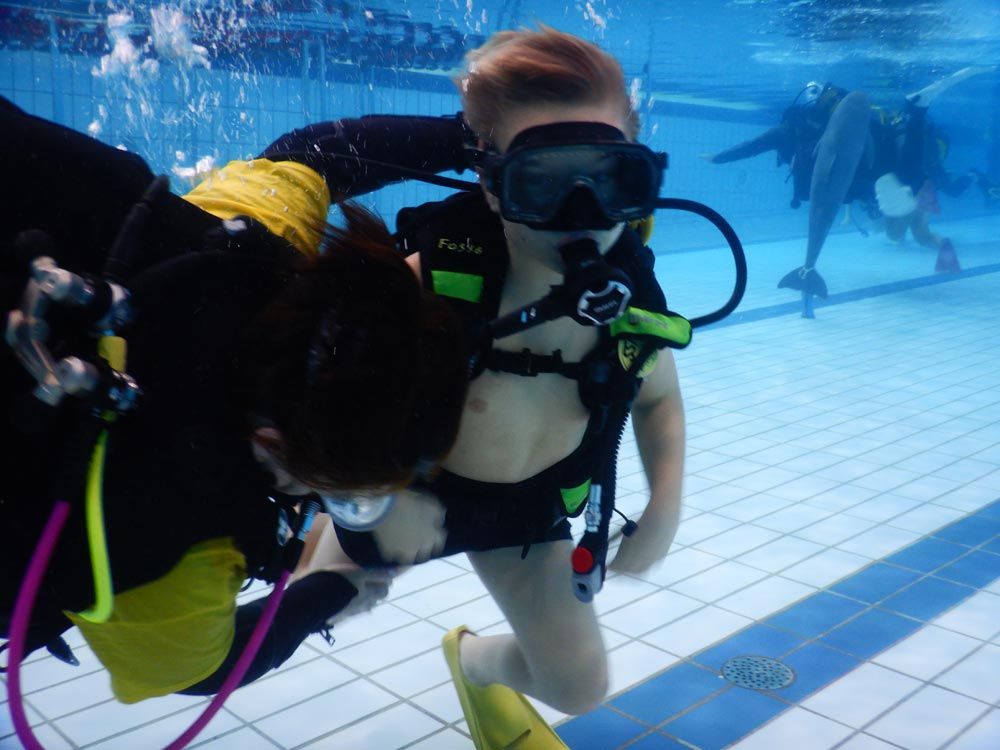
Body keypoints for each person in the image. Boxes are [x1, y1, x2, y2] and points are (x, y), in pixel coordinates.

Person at [280, 27, 688, 749]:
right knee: (309, 614)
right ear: (491, 183)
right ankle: (320, 539)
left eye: (610, 179)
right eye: (542, 182)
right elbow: (313, 411)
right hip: (408, 490)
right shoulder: (432, 284)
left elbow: (657, 400)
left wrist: (666, 503)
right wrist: (368, 501)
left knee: (579, 686)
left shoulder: (629, 306)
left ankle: (468, 661)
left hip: (523, 514)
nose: (581, 215)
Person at [0, 95, 470, 703]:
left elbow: (314, 156)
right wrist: (334, 587)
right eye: (338, 494)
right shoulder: (178, 553)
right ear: (271, 443)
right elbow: (204, 671)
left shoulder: (238, 245)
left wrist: (466, 140)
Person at [705, 67, 994, 315]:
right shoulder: (824, 127)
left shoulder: (793, 130)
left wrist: (718, 158)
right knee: (908, 184)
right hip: (845, 189)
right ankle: (917, 110)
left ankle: (917, 111)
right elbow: (865, 161)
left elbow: (751, 147)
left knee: (900, 201)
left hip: (833, 190)